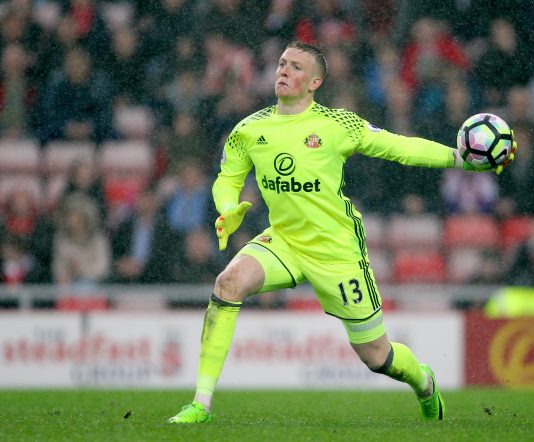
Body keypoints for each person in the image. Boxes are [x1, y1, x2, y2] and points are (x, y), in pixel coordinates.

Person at [168, 41, 516, 424]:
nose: (283, 71)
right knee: (228, 282)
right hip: (283, 241)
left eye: (296, 67)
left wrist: (456, 159)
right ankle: (201, 403)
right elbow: (226, 179)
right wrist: (226, 208)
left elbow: (397, 147)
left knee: (377, 357)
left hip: (337, 250)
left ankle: (424, 383)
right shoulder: (249, 130)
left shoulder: (338, 124)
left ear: (315, 81)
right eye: (282, 64)